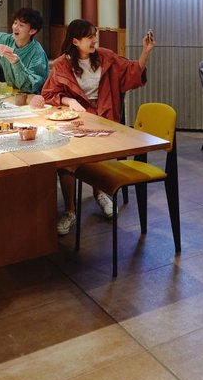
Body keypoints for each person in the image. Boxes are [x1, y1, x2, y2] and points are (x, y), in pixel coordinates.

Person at [42, 19, 155, 234]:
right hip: (75, 120)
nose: (94, 40)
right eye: (89, 37)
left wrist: (146, 51)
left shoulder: (106, 57)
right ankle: (70, 211)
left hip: (104, 117)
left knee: (100, 157)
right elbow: (48, 94)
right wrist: (68, 100)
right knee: (67, 162)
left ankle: (100, 193)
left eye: (95, 35)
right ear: (75, 41)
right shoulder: (62, 64)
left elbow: (131, 71)